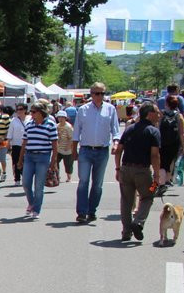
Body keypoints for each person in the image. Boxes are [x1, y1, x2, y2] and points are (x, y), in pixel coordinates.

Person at [71, 82, 120, 223]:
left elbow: (115, 130)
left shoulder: (110, 109)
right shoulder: (83, 110)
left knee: (97, 184)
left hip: (102, 150)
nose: (100, 96)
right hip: (86, 150)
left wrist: (116, 144)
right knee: (83, 182)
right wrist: (74, 150)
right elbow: (76, 132)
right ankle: (81, 212)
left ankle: (92, 210)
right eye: (97, 93)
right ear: (91, 94)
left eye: (102, 93)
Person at [113, 101, 161, 242]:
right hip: (143, 171)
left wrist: (117, 168)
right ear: (150, 114)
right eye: (157, 112)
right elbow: (154, 155)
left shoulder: (130, 129)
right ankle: (138, 222)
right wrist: (157, 175)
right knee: (148, 195)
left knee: (126, 201)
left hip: (126, 169)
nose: (159, 115)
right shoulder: (153, 131)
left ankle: (126, 232)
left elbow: (118, 150)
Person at [17, 101, 58, 220]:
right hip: (29, 156)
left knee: (39, 186)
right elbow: (24, 143)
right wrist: (20, 160)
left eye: (34, 112)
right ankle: (32, 203)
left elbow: (55, 146)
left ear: (41, 113)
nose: (32, 114)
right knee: (26, 183)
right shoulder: (29, 125)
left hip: (43, 157)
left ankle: (36, 209)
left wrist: (53, 162)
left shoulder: (50, 124)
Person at [158, 95, 184, 187]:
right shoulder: (179, 116)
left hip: (162, 142)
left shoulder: (161, 114)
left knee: (161, 164)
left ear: (166, 103)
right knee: (170, 162)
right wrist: (183, 145)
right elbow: (181, 132)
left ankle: (157, 186)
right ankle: (166, 181)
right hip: (174, 143)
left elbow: (157, 128)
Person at [6, 104, 29, 184]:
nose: (19, 111)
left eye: (21, 109)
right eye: (17, 109)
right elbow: (10, 132)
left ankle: (25, 176)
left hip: (27, 144)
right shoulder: (14, 120)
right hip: (16, 144)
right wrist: (8, 143)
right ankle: (17, 179)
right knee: (15, 161)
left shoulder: (29, 119)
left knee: (26, 161)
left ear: (25, 110)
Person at [54, 112, 74, 182]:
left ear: (65, 118)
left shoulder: (68, 127)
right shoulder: (57, 126)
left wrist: (68, 146)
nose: (60, 119)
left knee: (68, 164)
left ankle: (69, 177)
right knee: (55, 162)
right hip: (59, 148)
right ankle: (57, 176)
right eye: (59, 117)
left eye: (62, 117)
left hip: (67, 149)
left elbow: (72, 138)